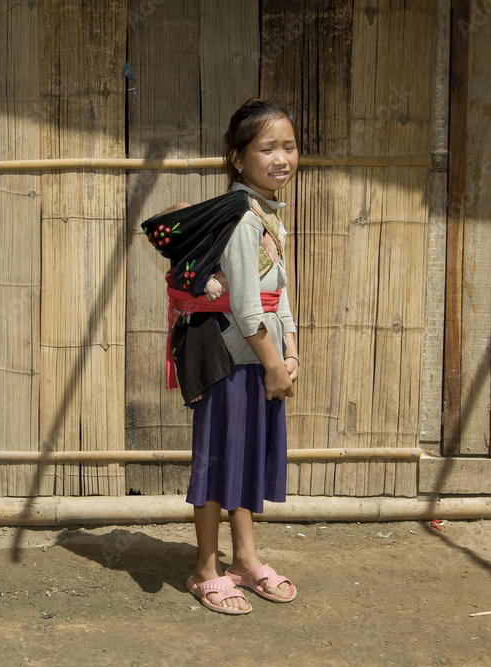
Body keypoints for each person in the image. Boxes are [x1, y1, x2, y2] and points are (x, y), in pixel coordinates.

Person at [148, 98, 300, 614]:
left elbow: (281, 289)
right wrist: (276, 364)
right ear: (237, 157)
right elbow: (243, 303)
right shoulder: (241, 217)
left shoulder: (268, 214)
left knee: (245, 461)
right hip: (233, 361)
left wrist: (291, 347)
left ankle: (245, 560)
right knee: (217, 465)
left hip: (262, 358)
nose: (282, 158)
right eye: (267, 148)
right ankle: (205, 569)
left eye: (289, 146)